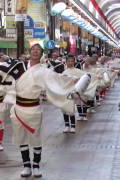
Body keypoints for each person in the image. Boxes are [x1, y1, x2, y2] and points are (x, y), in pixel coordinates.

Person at [9, 44, 77, 178]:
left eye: (38, 50)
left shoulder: (43, 70)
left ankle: (36, 166)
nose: (35, 52)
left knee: (35, 138)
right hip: (18, 108)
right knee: (21, 137)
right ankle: (26, 166)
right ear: (29, 52)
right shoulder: (19, 66)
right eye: (33, 50)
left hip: (33, 108)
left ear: (41, 54)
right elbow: (6, 79)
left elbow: (58, 79)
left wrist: (74, 81)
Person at [61, 55, 87, 133]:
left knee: (71, 109)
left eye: (72, 61)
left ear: (74, 62)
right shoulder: (64, 72)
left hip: (73, 92)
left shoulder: (78, 71)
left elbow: (84, 79)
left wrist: (78, 80)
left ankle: (72, 126)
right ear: (66, 61)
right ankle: (66, 126)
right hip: (65, 92)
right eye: (68, 61)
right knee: (64, 109)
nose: (70, 62)